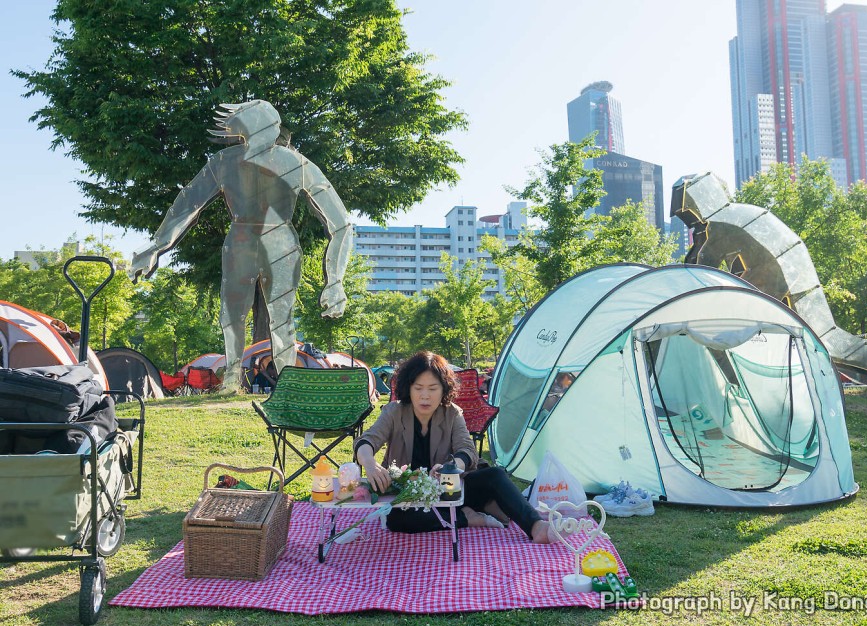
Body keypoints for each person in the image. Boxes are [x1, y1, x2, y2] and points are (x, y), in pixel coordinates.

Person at [129, 100, 351, 391]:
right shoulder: (251, 162)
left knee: (270, 317)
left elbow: (341, 222)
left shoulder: (248, 162)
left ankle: (269, 381)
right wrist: (155, 247)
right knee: (240, 315)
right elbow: (186, 205)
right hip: (253, 241)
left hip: (267, 242)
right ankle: (240, 377)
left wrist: (336, 280)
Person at [354, 351, 558, 543]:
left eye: (432, 388)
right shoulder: (394, 412)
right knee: (396, 519)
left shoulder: (452, 413)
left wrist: (449, 469)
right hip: (409, 494)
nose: (425, 396)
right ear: (408, 388)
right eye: (418, 388)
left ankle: (536, 526)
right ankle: (466, 516)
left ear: (444, 389)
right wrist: (370, 464)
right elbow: (367, 441)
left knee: (495, 474)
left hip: (449, 488)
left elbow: (468, 450)